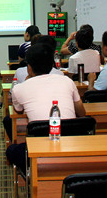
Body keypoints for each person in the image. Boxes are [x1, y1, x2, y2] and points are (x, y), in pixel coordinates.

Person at [5, 43, 86, 171]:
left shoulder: (19, 88)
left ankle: (32, 174)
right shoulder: (67, 81)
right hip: (71, 143)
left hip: (39, 149)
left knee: (11, 150)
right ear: (52, 65)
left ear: (29, 68)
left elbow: (18, 110)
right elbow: (82, 113)